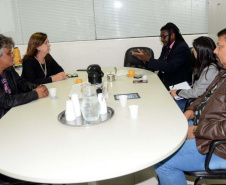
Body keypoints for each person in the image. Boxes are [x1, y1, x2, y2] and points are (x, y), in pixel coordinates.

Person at [153, 28, 226, 185]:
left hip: (219, 148)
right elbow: (204, 95)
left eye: (219, 46)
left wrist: (196, 130)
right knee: (163, 138)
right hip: (205, 128)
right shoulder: (223, 73)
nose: (214, 50)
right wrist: (189, 112)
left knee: (162, 162)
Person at [0, 34, 48, 119]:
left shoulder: (9, 69)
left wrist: (39, 87)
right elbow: (6, 101)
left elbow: (22, 84)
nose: (13, 55)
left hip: (16, 112)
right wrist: (35, 94)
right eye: (8, 53)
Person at [132, 22, 190, 90]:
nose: (162, 39)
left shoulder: (182, 48)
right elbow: (160, 63)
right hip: (164, 80)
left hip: (176, 85)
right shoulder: (166, 46)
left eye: (164, 37)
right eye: (161, 37)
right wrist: (145, 60)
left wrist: (149, 59)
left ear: (172, 36)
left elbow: (169, 67)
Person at [169, 36, 220, 112]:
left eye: (194, 50)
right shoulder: (203, 65)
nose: (193, 52)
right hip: (194, 99)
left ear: (201, 52)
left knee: (171, 108)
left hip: (199, 104)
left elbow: (197, 93)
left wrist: (177, 92)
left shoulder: (211, 70)